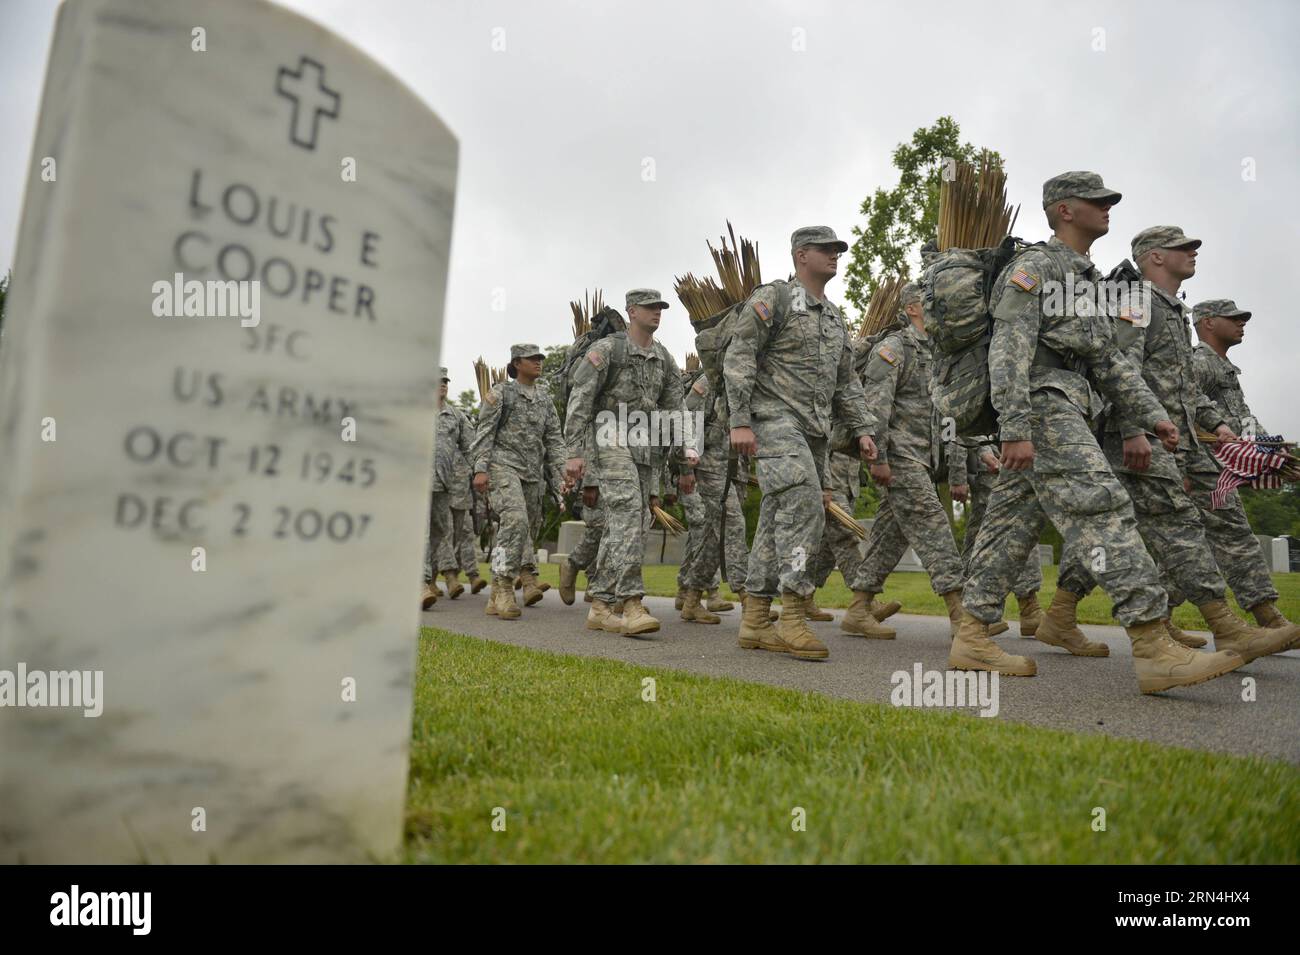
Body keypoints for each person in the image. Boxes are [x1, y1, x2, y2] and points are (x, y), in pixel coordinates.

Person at [957, 172, 1243, 694]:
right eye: (1097, 201)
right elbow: (1009, 349)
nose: (1107, 208)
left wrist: (1152, 414)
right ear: (1065, 210)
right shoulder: (1035, 267)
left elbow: (1108, 359)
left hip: (1072, 400)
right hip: (1043, 402)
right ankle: (1154, 644)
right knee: (1103, 506)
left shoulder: (1085, 279)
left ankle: (971, 634)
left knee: (1010, 526)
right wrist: (1015, 426)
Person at [1049, 227, 1294, 663]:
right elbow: (1121, 370)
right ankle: (1226, 627)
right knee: (1162, 526)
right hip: (1143, 438)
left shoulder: (1172, 309)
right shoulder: (1136, 300)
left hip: (1181, 441)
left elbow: (1181, 386)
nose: (1193, 252)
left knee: (1221, 521)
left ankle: (1265, 616)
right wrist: (1132, 430)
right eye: (1183, 248)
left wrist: (1217, 425)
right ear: (1155, 257)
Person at [724, 226, 878, 660]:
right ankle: (792, 614)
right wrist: (739, 421)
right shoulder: (774, 297)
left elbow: (845, 381)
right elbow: (740, 355)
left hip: (815, 433)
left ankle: (755, 620)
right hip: (772, 420)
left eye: (837, 250)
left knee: (777, 515)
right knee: (805, 505)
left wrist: (863, 428)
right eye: (826, 250)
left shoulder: (834, 317)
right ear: (801, 254)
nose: (835, 256)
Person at [564, 289, 699, 636]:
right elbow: (580, 400)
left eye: (660, 308)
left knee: (631, 526)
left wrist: (686, 449)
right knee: (625, 512)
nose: (657, 313)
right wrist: (574, 453)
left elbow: (676, 409)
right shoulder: (607, 350)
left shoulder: (664, 358)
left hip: (644, 448)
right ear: (632, 311)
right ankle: (632, 602)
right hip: (608, 438)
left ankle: (600, 605)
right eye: (650, 308)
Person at [841, 284, 968, 639]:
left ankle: (858, 608)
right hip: (898, 456)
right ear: (913, 309)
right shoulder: (895, 347)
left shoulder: (938, 351)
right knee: (933, 523)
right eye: (932, 303)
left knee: (890, 536)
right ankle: (962, 615)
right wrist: (878, 458)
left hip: (922, 458)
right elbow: (876, 407)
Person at [1187, 298, 1300, 642]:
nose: (1242, 323)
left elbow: (1245, 422)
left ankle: (1158, 619)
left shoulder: (1225, 370)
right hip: (1202, 468)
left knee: (1190, 546)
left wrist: (1278, 456)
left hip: (1218, 470)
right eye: (1233, 318)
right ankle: (1267, 619)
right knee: (1235, 538)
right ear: (1207, 323)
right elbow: (1182, 404)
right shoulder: (1199, 363)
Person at [471, 344, 568, 618]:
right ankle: (502, 587)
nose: (539, 362)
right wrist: (480, 469)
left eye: (540, 359)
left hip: (532, 474)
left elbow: (554, 440)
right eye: (532, 359)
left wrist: (563, 473)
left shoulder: (545, 400)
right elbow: (484, 432)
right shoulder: (501, 393)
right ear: (517, 363)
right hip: (503, 466)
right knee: (515, 520)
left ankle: (495, 595)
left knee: (527, 529)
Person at [676, 360, 749, 624]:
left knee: (710, 538)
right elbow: (683, 421)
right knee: (733, 524)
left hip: (734, 470)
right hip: (709, 468)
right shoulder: (708, 382)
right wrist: (685, 467)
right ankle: (748, 598)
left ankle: (692, 598)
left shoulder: (744, 380)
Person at [959, 438, 1042, 636]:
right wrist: (958, 477)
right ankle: (970, 613)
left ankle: (1027, 608)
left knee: (985, 537)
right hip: (991, 469)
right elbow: (959, 428)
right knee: (1011, 532)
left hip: (1005, 464)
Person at [422, 367, 474, 610]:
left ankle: (428, 580)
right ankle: (420, 585)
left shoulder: (455, 416)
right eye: (438, 381)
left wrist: (482, 471)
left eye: (445, 381)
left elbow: (470, 447)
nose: (443, 384)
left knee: (438, 533)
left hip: (444, 483)